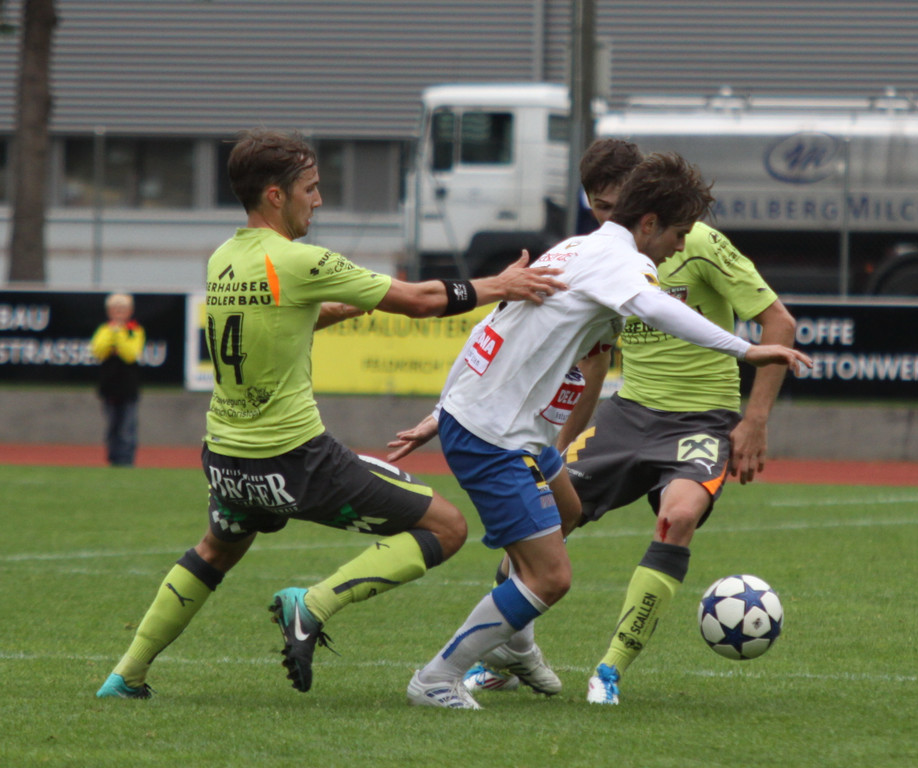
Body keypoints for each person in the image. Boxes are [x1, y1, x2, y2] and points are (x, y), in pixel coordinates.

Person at [95, 128, 567, 700]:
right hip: (295, 458)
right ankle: (312, 604)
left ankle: (126, 675)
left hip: (226, 458)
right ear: (275, 195)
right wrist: (501, 284)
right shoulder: (299, 260)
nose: (317, 200)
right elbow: (419, 301)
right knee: (447, 527)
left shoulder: (223, 258)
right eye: (310, 188)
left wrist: (336, 311)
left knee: (214, 550)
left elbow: (278, 319)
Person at [394, 151, 810, 709]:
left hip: (514, 429)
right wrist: (747, 349)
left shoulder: (577, 249)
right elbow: (656, 309)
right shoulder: (621, 263)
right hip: (495, 436)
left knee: (566, 511)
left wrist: (442, 411)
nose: (681, 246)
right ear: (649, 223)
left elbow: (498, 330)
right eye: (678, 234)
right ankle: (437, 678)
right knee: (550, 578)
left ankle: (517, 651)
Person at [90, 293, 146, 466]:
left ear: (130, 311)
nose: (119, 313)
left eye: (123, 309)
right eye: (115, 309)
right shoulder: (104, 330)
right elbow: (98, 351)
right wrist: (111, 333)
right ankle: (113, 458)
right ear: (109, 311)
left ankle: (126, 459)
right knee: (112, 425)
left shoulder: (135, 330)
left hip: (128, 386)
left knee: (128, 426)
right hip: (109, 385)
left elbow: (130, 354)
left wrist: (119, 335)